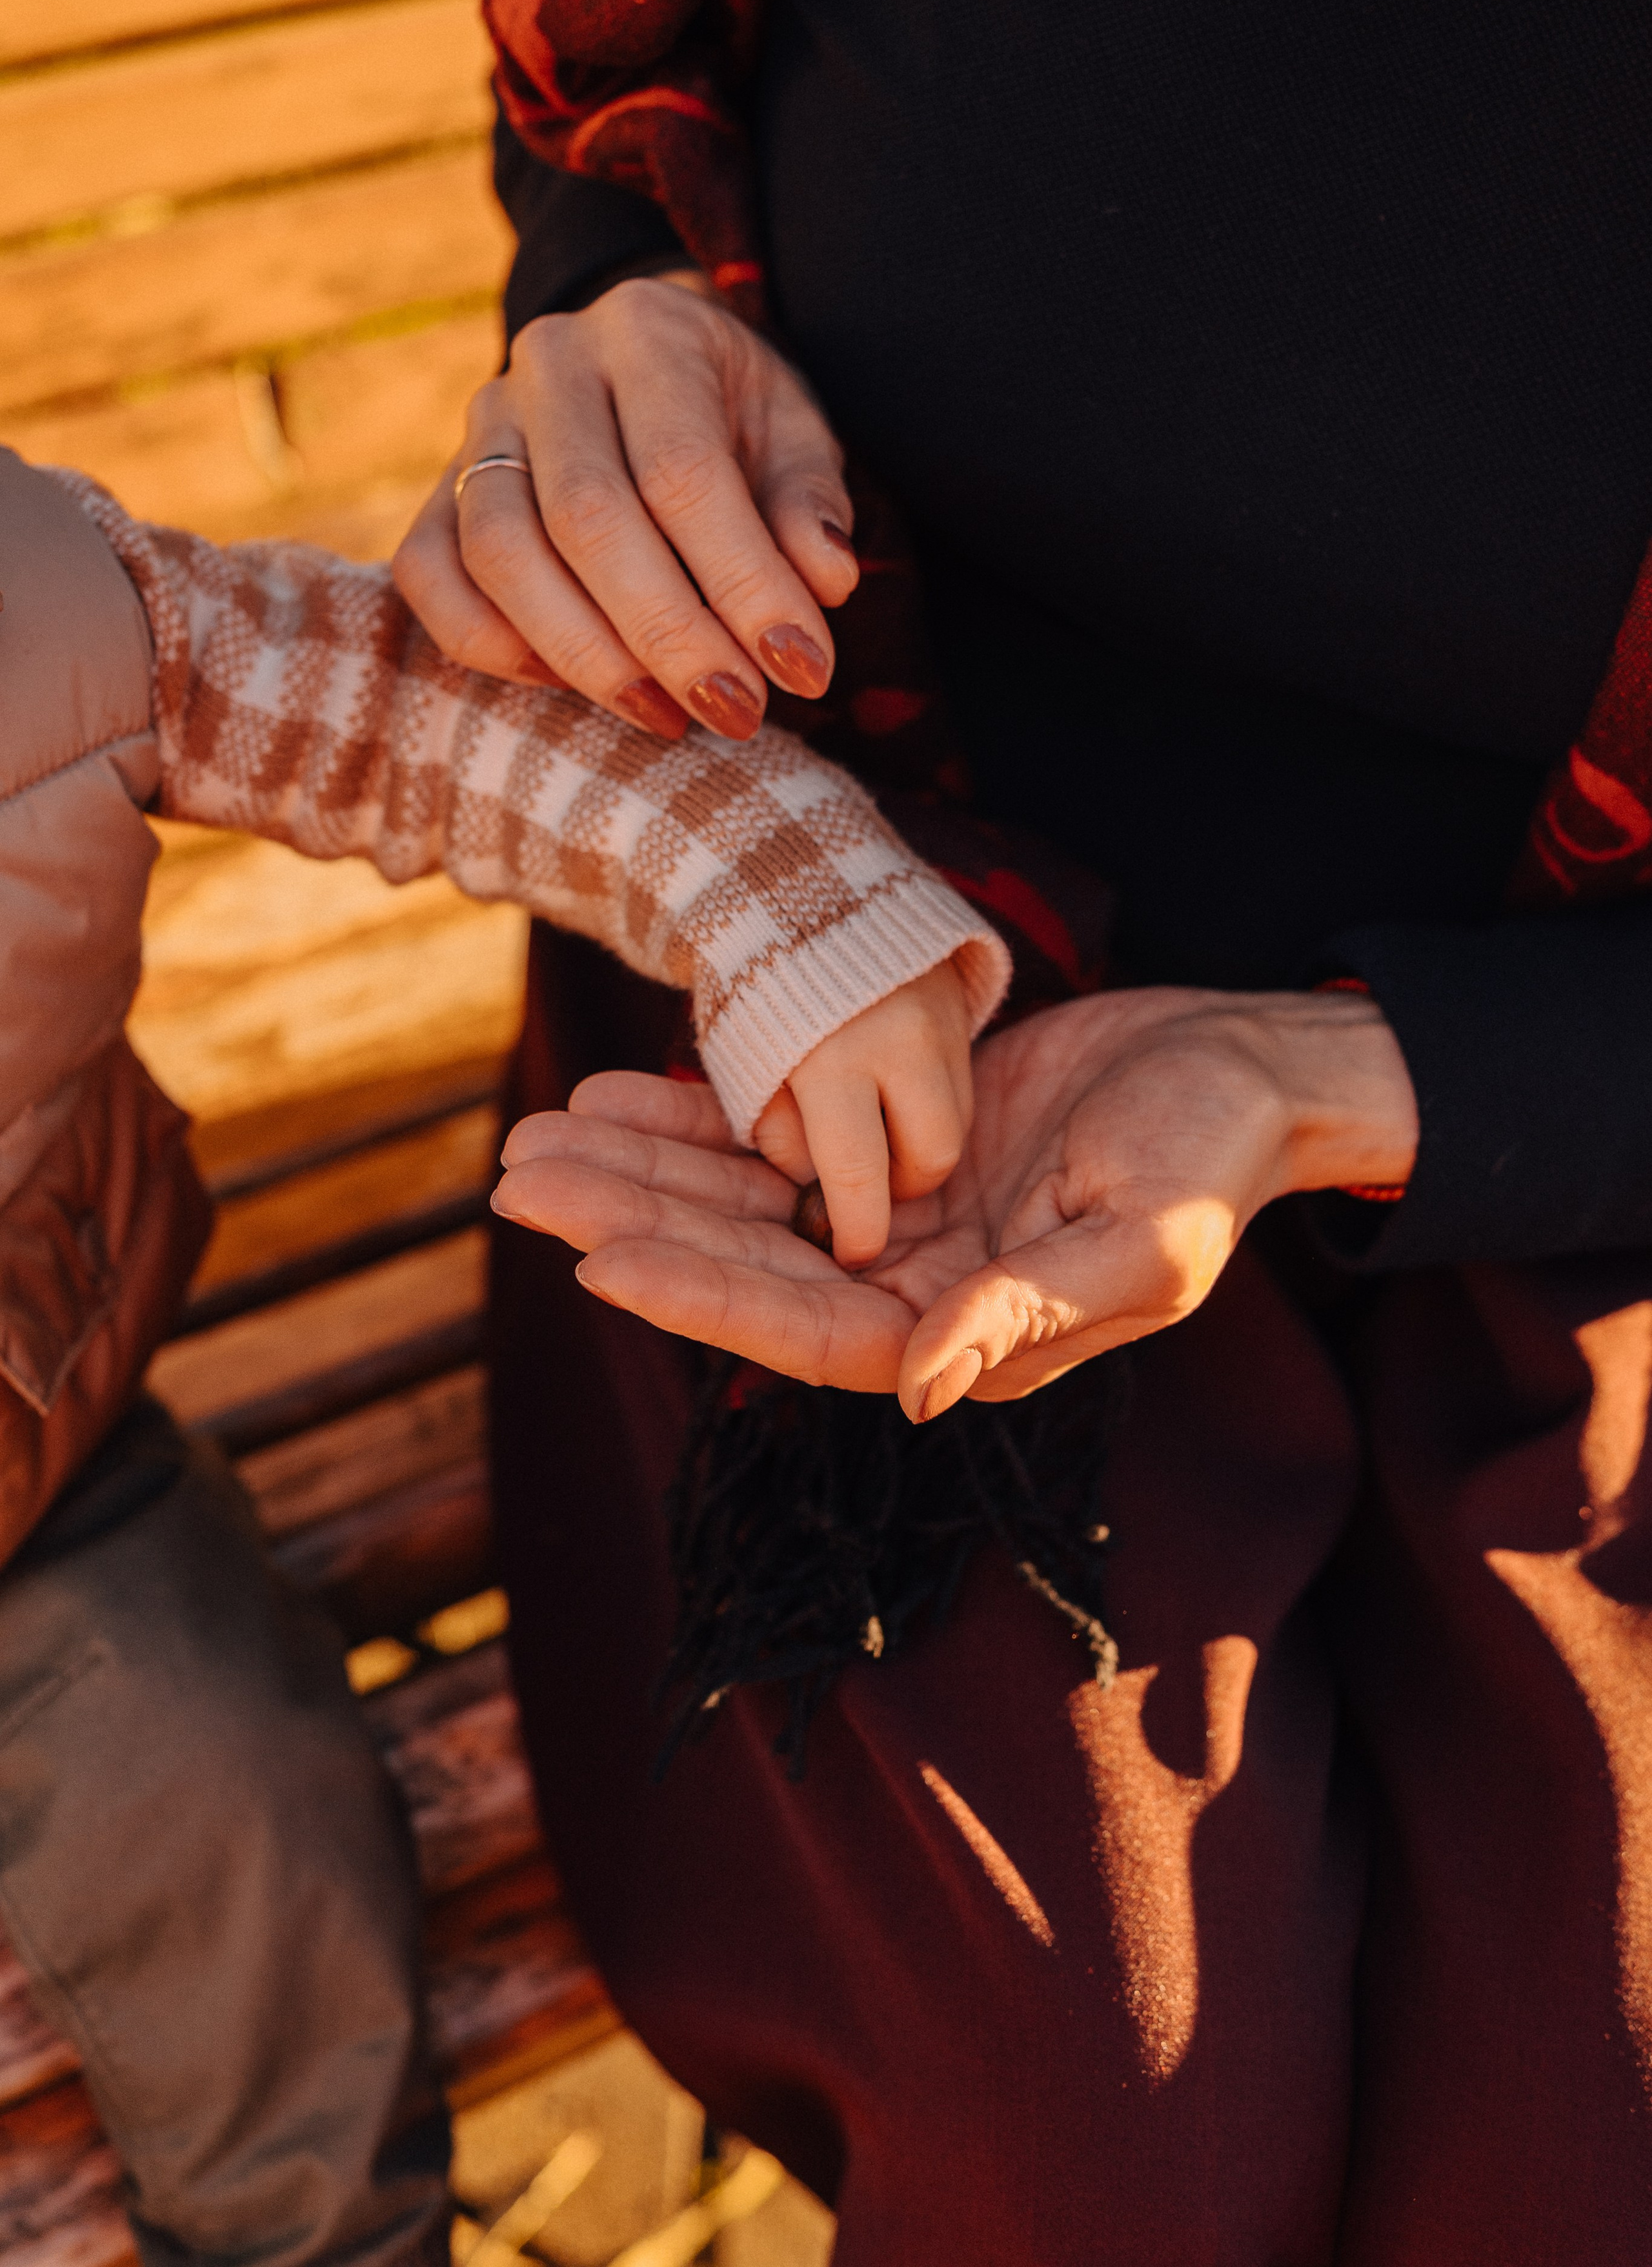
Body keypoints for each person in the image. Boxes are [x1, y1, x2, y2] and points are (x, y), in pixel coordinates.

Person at [388, 0, 1652, 2260]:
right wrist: (618, 319)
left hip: (1575, 1105)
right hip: (865, 979)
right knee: (1104, 2122)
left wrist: (1353, 1088)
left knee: (1597, 2117)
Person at [0, 447, 1003, 2264]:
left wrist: (786, 908)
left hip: (31, 1458)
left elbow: (400, 708)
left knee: (237, 1817)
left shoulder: (36, 623)